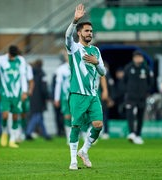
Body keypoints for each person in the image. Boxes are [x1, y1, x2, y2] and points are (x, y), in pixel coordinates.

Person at [66, 4, 107, 170]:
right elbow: (67, 36)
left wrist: (97, 63)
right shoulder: (74, 48)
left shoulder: (96, 51)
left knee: (98, 125)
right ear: (79, 33)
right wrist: (75, 20)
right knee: (76, 126)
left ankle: (84, 151)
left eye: (91, 31)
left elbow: (103, 72)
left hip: (92, 95)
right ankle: (73, 160)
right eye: (86, 31)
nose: (90, 33)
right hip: (77, 94)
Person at [0, 45, 28, 148]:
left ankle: (12, 139)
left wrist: (24, 91)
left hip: (17, 93)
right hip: (4, 93)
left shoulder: (21, 60)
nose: (13, 58)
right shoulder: (0, 60)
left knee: (15, 115)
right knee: (5, 115)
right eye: (11, 56)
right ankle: (4, 132)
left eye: (14, 56)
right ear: (8, 53)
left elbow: (23, 76)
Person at [123, 50, 153, 145]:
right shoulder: (128, 68)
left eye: (139, 57)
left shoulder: (146, 69)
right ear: (133, 58)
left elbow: (151, 82)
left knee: (140, 116)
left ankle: (138, 135)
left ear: (142, 58)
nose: (138, 59)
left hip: (141, 97)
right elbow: (124, 81)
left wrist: (147, 92)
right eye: (136, 57)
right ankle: (132, 133)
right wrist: (127, 91)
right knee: (130, 114)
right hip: (130, 97)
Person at [25, 59, 51, 140]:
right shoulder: (42, 74)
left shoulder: (31, 73)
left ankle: (46, 135)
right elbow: (44, 88)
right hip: (40, 99)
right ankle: (28, 132)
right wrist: (48, 97)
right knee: (37, 116)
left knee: (39, 117)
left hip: (32, 97)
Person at [54, 51, 71, 144]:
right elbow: (58, 84)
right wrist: (56, 98)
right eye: (66, 56)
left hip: (77, 96)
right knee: (67, 116)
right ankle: (69, 137)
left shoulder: (78, 67)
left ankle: (84, 134)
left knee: (79, 116)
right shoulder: (61, 69)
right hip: (65, 96)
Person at [17, 61, 34, 142]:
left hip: (24, 94)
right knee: (15, 112)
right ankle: (16, 133)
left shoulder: (27, 67)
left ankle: (22, 132)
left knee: (23, 114)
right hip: (14, 94)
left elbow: (31, 80)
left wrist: (30, 90)